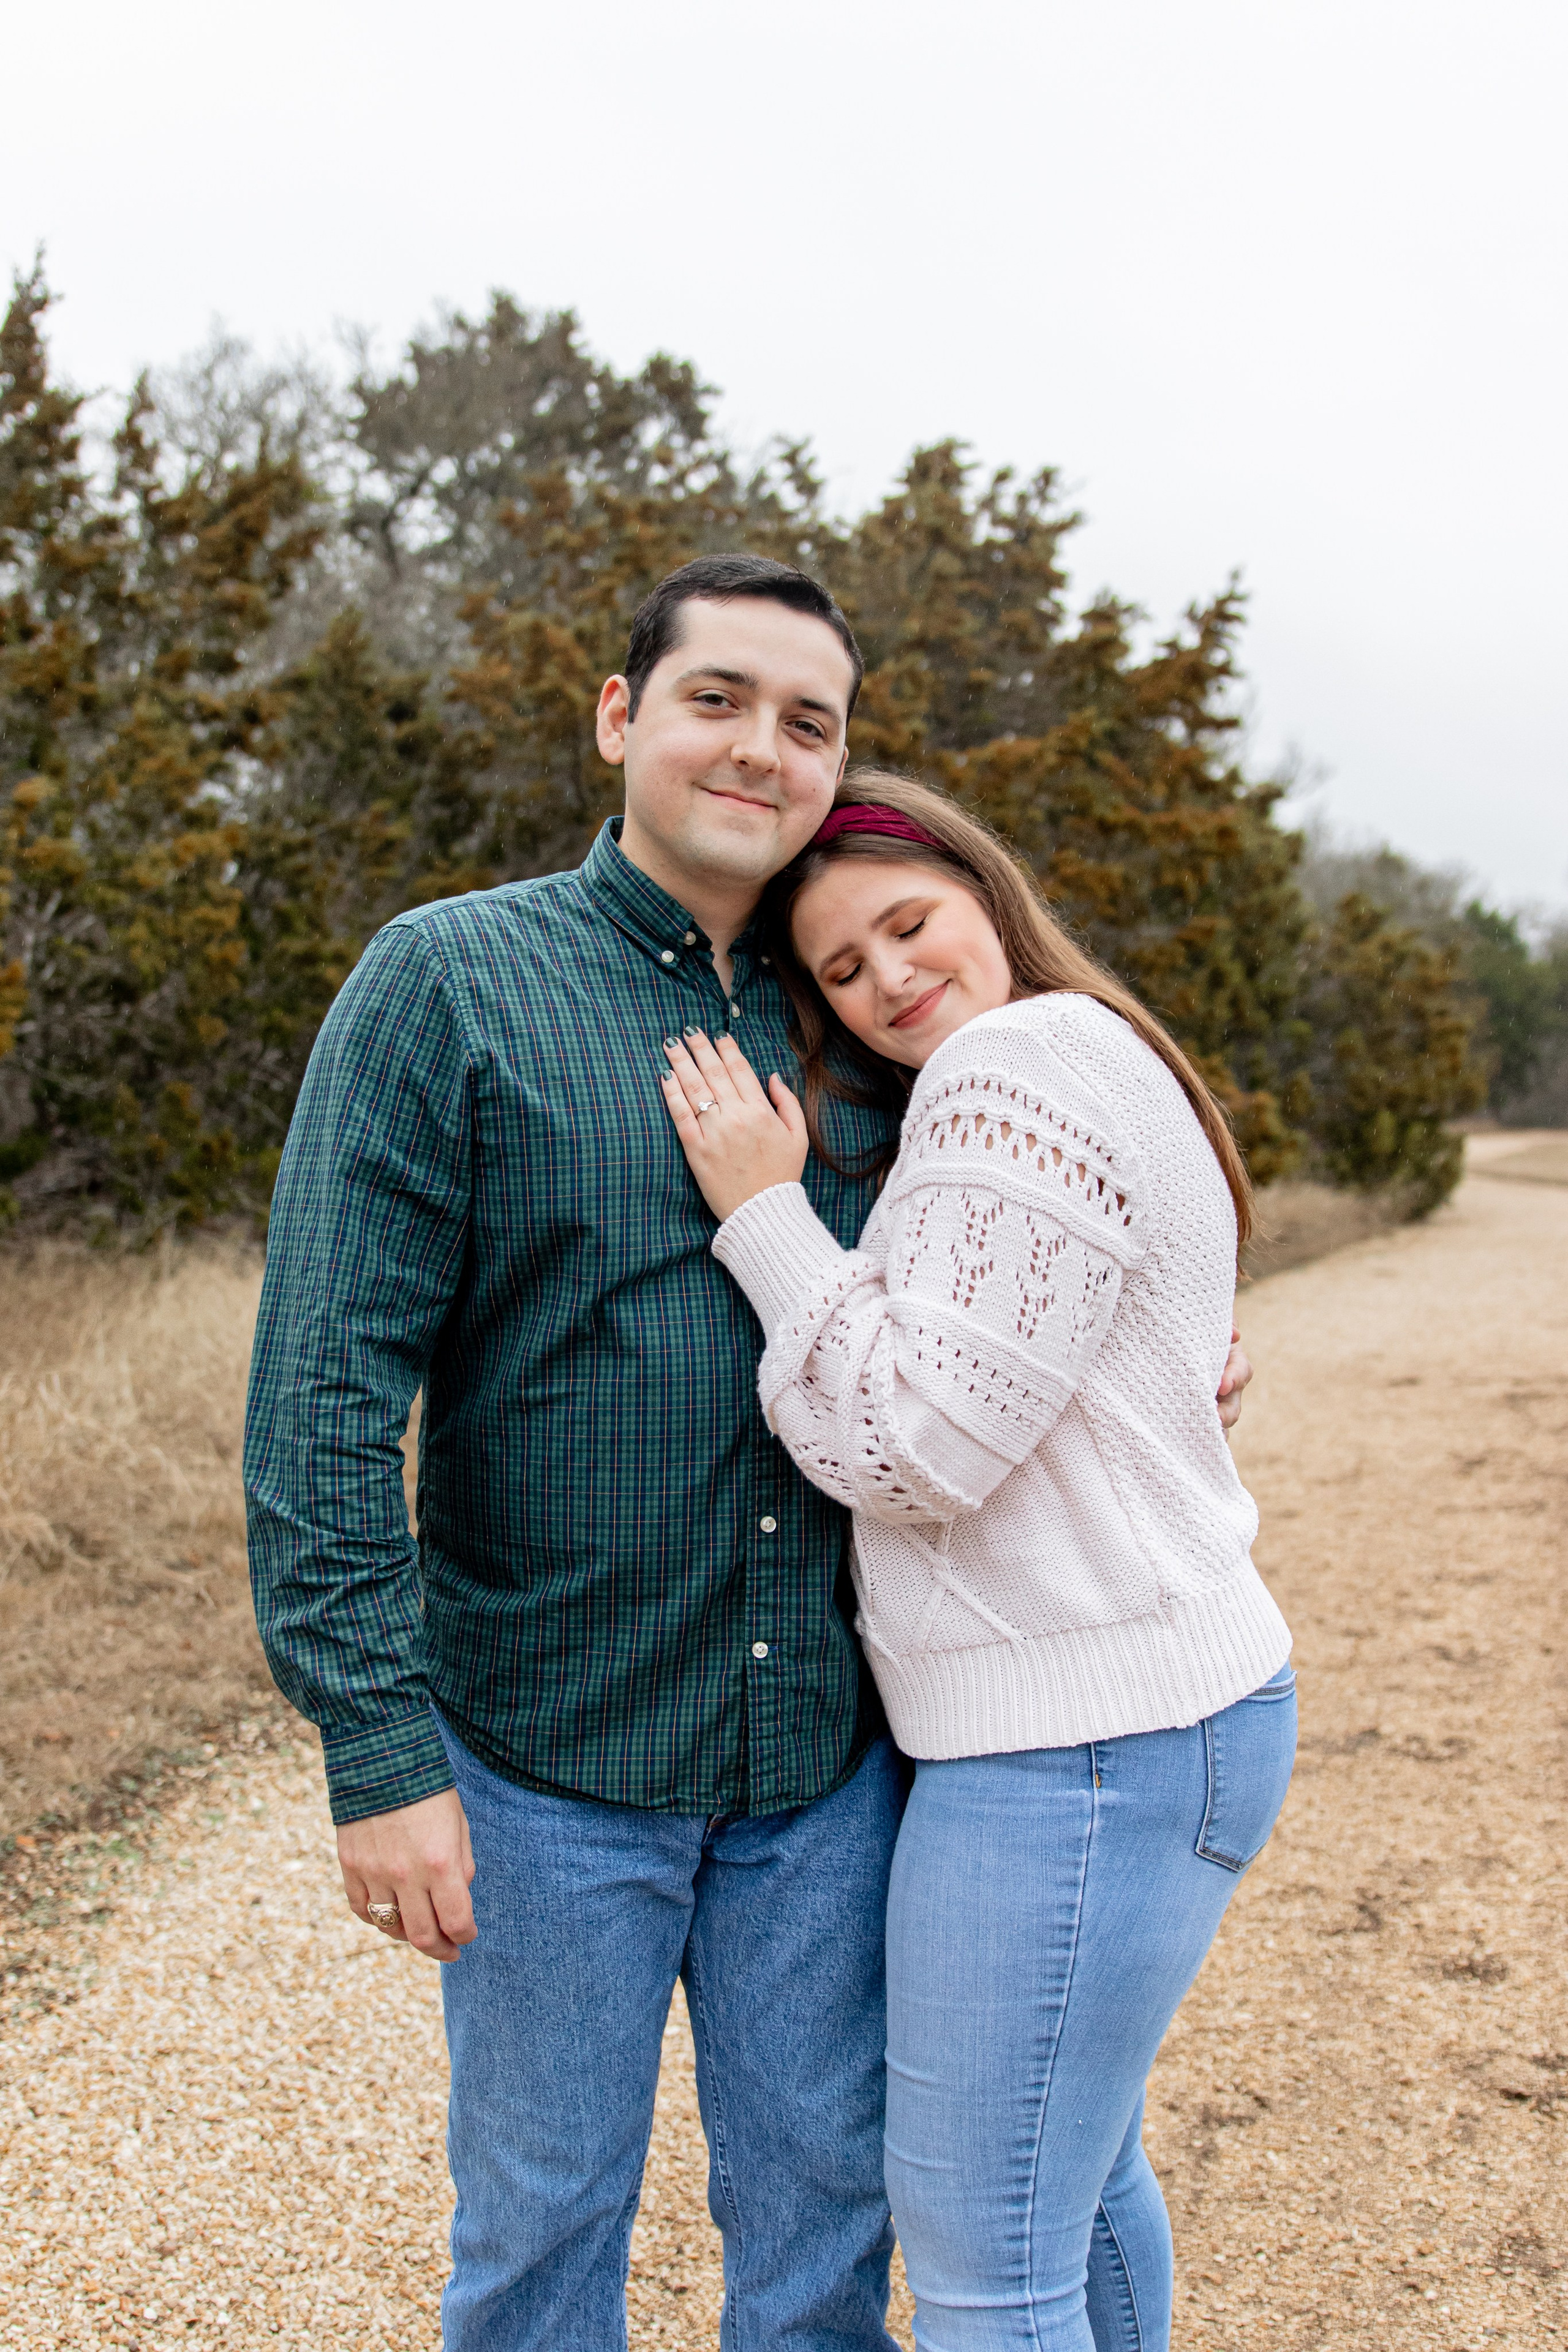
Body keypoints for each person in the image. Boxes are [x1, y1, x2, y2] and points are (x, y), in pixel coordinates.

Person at [244, 557, 1253, 2351]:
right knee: (545, 2233)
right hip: (549, 1762)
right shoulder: (450, 983)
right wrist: (377, 1747)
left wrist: (1157, 1358)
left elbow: (1007, 1287)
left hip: (835, 1773)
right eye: (717, 698)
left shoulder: (858, 1017)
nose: (761, 747)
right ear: (622, 717)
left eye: (811, 721)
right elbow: (325, 1391)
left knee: (825, 2236)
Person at [658, 770, 1294, 2352]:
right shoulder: (1097, 1049)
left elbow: (913, 1449)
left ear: (984, 893)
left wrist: (762, 1216)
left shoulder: (1010, 1065)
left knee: (986, 2270)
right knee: (1068, 2198)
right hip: (1158, 1716)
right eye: (845, 971)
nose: (888, 983)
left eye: (909, 924)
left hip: (1075, 1752)